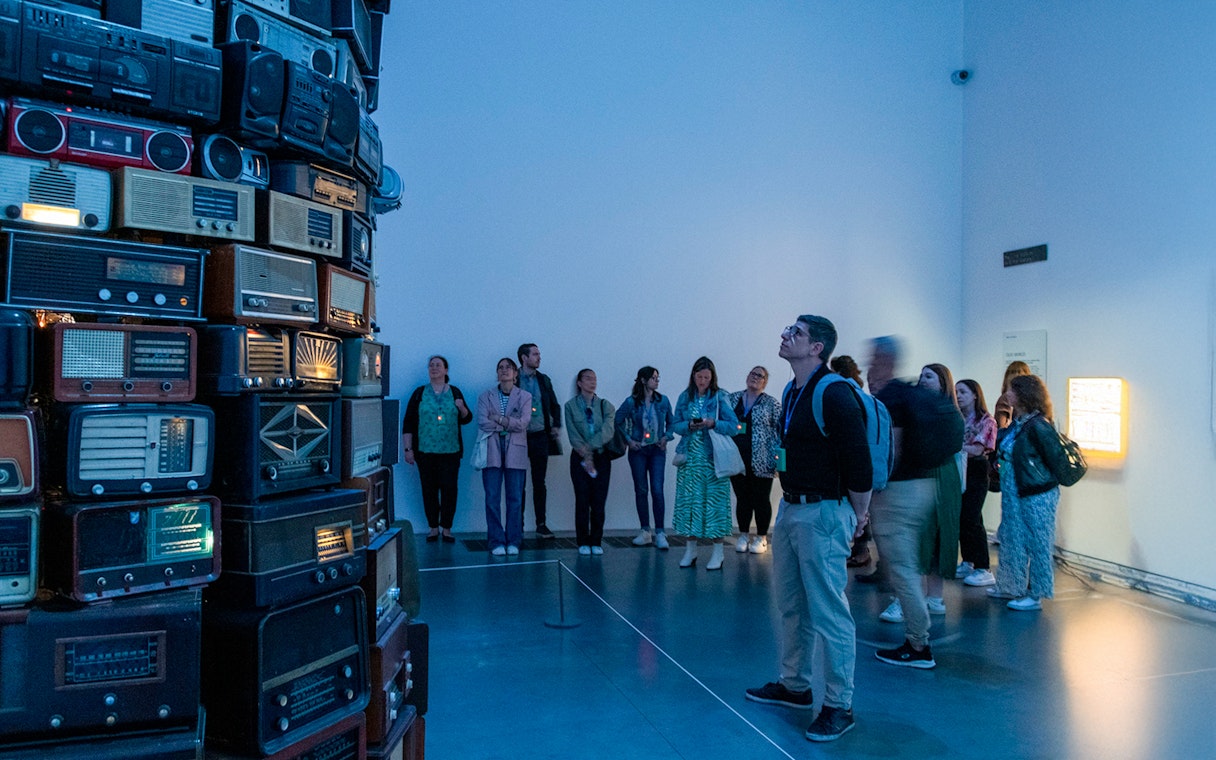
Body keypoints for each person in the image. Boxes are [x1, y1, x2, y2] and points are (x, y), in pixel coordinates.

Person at [744, 316, 872, 742]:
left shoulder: (834, 392)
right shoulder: (792, 389)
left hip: (824, 513)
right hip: (793, 509)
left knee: (829, 612)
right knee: (792, 605)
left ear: (817, 348)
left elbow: (859, 459)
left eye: (795, 333)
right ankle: (795, 685)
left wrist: (859, 516)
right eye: (786, 330)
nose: (784, 336)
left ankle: (839, 704)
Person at [866, 337, 939, 669]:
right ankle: (917, 637)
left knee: (903, 569)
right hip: (923, 486)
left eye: (874, 358)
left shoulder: (892, 397)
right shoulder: (909, 395)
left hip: (898, 491)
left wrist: (872, 493)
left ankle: (918, 644)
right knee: (904, 565)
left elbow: (889, 450)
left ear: (884, 359)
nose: (869, 364)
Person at [989, 374, 1061, 611]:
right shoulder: (1019, 423)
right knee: (1012, 538)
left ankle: (1037, 593)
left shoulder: (1039, 425)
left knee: (1038, 542)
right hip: (1016, 491)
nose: (1006, 395)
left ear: (1023, 395)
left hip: (1037, 494)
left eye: (1011, 391)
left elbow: (1054, 460)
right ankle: (1011, 585)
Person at [671, 356, 740, 571]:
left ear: (713, 378)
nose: (702, 381)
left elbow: (733, 425)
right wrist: (689, 425)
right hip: (690, 460)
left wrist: (713, 423)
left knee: (714, 506)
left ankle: (718, 552)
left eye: (706, 377)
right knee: (690, 504)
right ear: (693, 376)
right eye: (699, 376)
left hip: (713, 462)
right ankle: (690, 550)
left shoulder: (720, 396)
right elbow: (675, 425)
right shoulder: (685, 396)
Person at [402, 355, 473, 542]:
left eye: (438, 365)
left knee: (450, 490)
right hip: (425, 452)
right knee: (429, 490)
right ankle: (433, 527)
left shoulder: (455, 392)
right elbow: (408, 422)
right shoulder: (419, 393)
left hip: (450, 451)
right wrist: (408, 449)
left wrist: (462, 408)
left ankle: (447, 528)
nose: (434, 368)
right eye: (431, 365)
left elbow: (467, 418)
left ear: (446, 370)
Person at [476, 357, 532, 556]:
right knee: (492, 498)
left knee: (515, 498)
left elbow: (523, 423)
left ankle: (514, 539)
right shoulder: (486, 396)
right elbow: (483, 422)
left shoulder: (524, 396)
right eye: (500, 367)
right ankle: (496, 540)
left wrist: (499, 419)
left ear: (516, 373)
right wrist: (509, 423)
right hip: (492, 448)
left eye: (508, 367)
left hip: (516, 450)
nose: (504, 370)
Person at [615, 366, 675, 549]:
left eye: (658, 377)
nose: (657, 381)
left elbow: (671, 423)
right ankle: (645, 531)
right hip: (638, 451)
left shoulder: (663, 401)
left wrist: (666, 437)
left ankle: (660, 532)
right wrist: (628, 440)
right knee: (641, 489)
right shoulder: (631, 402)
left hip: (657, 450)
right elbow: (617, 420)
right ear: (643, 380)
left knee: (657, 489)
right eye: (653, 378)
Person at [726, 366, 782, 554]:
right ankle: (743, 535)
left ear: (765, 382)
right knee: (743, 498)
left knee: (761, 499)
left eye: (760, 376)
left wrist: (778, 458)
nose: (755, 378)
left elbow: (780, 429)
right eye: (753, 374)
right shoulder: (732, 399)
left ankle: (761, 537)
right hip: (737, 458)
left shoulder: (771, 404)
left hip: (762, 459)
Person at [564, 369, 615, 555]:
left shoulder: (605, 405)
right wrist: (584, 453)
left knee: (599, 501)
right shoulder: (570, 406)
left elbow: (608, 432)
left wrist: (590, 449)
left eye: (594, 378)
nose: (592, 382)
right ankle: (583, 541)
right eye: (587, 378)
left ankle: (596, 540)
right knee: (582, 499)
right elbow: (572, 434)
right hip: (579, 458)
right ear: (579, 383)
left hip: (601, 457)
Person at [832, 355, 874, 568]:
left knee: (861, 509)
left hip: (852, 460)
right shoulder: (858, 392)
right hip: (859, 459)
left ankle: (861, 550)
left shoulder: (846, 393)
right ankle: (860, 549)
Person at [517, 343, 563, 539]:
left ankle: (541, 523)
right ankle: (517, 523)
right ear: (523, 358)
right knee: (519, 481)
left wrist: (555, 425)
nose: (539, 357)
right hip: (518, 436)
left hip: (539, 435)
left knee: (539, 482)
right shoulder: (514, 378)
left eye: (538, 354)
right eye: (535, 354)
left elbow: (554, 404)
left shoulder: (544, 380)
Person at [955, 378, 997, 586]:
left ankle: (983, 566)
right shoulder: (958, 418)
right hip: (960, 469)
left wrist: (956, 448)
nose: (958, 396)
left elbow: (978, 449)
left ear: (974, 394)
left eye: (963, 392)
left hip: (977, 470)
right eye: (956, 392)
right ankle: (968, 560)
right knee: (963, 517)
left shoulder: (987, 421)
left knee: (972, 517)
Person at [993, 361, 1032, 429]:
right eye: (1013, 372)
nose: (1017, 374)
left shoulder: (1031, 398)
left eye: (1020, 372)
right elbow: (1002, 427)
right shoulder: (1005, 399)